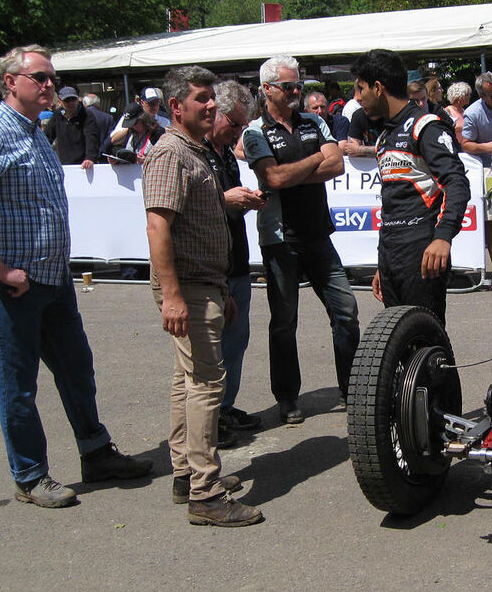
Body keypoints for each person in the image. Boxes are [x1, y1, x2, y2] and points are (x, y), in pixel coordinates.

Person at [0, 45, 151, 510]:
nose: (49, 85)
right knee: (17, 384)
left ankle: (96, 453)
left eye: (51, 78)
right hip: (11, 285)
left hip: (50, 279)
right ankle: (30, 475)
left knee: (77, 369)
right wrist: (0, 268)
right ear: (10, 83)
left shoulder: (34, 131)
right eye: (39, 77)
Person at [142, 65, 263, 527]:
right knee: (207, 386)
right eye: (201, 99)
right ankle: (205, 493)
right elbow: (158, 226)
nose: (212, 105)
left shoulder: (193, 150)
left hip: (202, 284)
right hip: (189, 287)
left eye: (212, 98)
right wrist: (174, 296)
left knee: (187, 381)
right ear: (177, 107)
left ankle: (186, 474)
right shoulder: (171, 153)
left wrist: (218, 285)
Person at [242, 55, 360, 422]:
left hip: (318, 235)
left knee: (347, 313)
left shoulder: (313, 121)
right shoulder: (255, 132)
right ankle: (287, 396)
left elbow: (337, 163)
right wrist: (313, 162)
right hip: (280, 241)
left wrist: (293, 171)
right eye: (288, 87)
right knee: (284, 322)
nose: (296, 92)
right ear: (266, 90)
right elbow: (273, 180)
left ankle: (351, 388)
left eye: (299, 86)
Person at [351, 48, 470, 325]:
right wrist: (384, 263)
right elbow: (393, 203)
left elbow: (456, 182)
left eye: (360, 88)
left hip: (422, 251)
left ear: (378, 88)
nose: (357, 98)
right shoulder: (384, 136)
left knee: (426, 343)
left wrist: (443, 237)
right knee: (396, 345)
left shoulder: (426, 126)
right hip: (393, 253)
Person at [205, 80, 266, 442]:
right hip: (211, 265)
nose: (239, 132)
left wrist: (245, 199)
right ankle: (211, 419)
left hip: (235, 260)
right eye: (235, 124)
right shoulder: (193, 150)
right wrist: (224, 202)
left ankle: (224, 408)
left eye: (244, 125)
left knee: (235, 339)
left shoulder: (225, 152)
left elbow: (224, 200)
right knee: (211, 347)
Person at [45, 87, 98, 168]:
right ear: (60, 102)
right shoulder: (57, 115)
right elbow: (47, 137)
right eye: (67, 100)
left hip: (84, 165)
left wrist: (90, 158)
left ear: (78, 100)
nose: (71, 103)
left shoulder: (87, 115)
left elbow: (91, 138)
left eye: (73, 99)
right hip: (63, 164)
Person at [82, 93, 115, 159]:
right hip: (104, 157)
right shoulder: (108, 118)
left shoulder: (80, 118)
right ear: (98, 104)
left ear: (84, 104)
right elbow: (111, 137)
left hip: (85, 158)